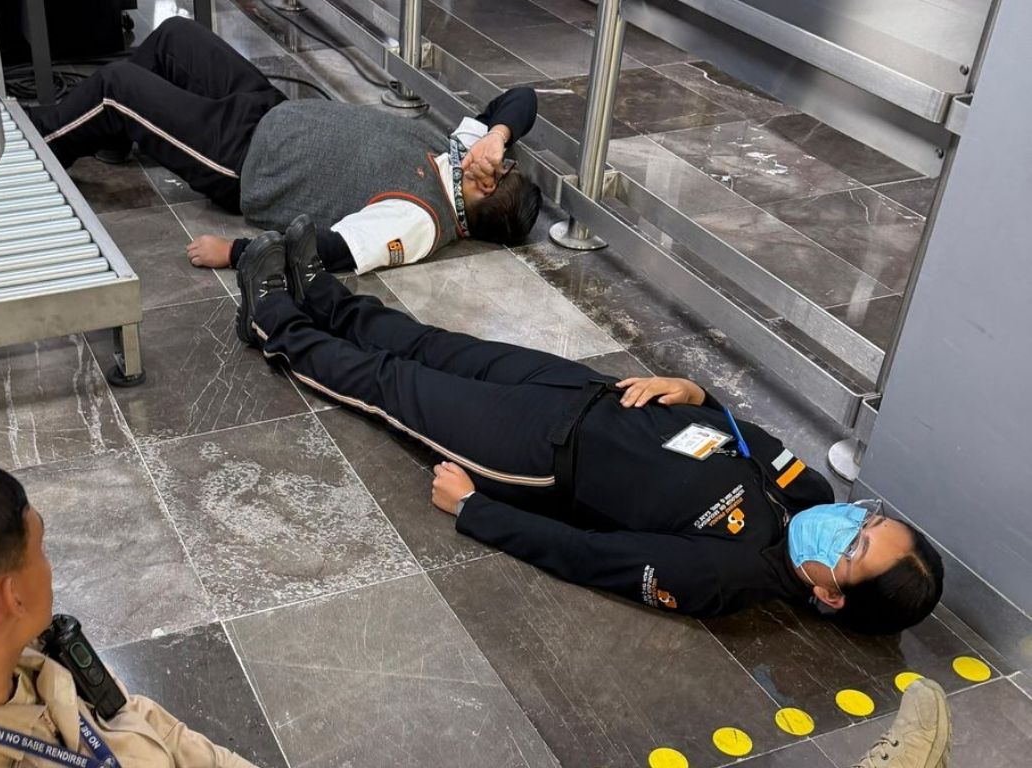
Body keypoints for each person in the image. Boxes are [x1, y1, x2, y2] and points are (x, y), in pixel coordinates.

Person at [231, 218, 945, 633]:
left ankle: (272, 318)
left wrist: (479, 512)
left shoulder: (727, 576)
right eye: (867, 521)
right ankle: (318, 294)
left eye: (853, 550)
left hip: (534, 450)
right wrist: (691, 389)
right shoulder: (809, 494)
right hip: (584, 391)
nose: (844, 526)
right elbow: (746, 435)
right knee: (428, 343)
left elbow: (590, 558)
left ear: (828, 596)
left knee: (391, 387)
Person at [25, 17, 542, 276]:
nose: (498, 152)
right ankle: (108, 129)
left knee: (117, 89)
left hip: (240, 158)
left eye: (504, 163)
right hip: (266, 108)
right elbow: (521, 99)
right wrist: (497, 135)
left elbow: (329, 252)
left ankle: (31, 146)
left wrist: (234, 253)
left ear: (488, 183)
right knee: (176, 36)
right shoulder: (461, 160)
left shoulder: (421, 221)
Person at [0, 458, 258, 768]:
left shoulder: (23, 654)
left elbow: (126, 715)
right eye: (40, 550)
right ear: (11, 597)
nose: (49, 567)